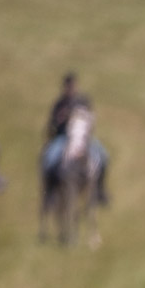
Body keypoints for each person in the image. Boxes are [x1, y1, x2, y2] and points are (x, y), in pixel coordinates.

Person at [41, 72, 110, 204]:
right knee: (49, 159)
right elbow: (51, 125)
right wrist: (60, 119)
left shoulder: (82, 101)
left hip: (83, 139)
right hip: (63, 138)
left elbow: (91, 120)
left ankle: (100, 191)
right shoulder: (59, 104)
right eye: (69, 86)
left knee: (104, 156)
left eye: (73, 85)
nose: (71, 88)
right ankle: (50, 193)